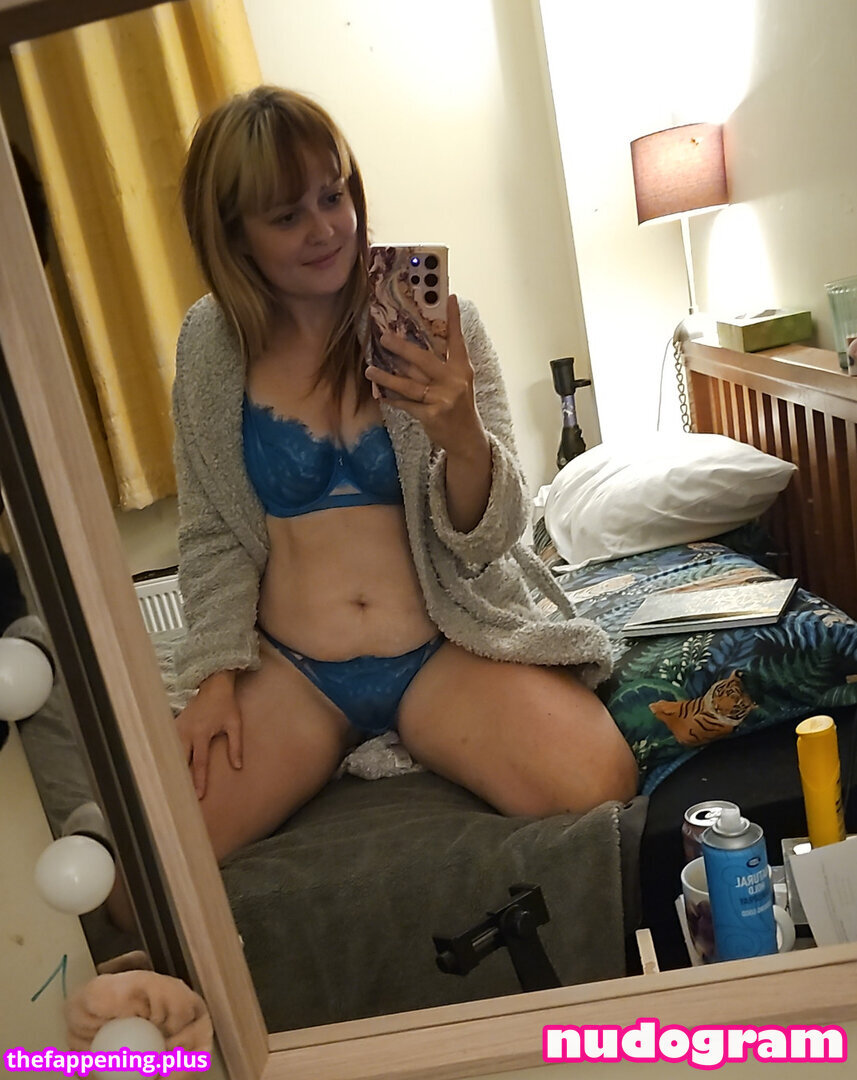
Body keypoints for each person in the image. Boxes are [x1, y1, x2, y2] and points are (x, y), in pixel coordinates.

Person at [173, 85, 637, 864]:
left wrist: (464, 440)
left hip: (438, 649)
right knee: (150, 863)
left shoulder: (440, 323)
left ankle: (417, 732)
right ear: (233, 234)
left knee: (599, 780)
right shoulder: (211, 345)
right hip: (294, 671)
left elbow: (495, 536)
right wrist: (214, 675)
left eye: (334, 196)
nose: (326, 229)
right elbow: (211, 533)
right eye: (286, 216)